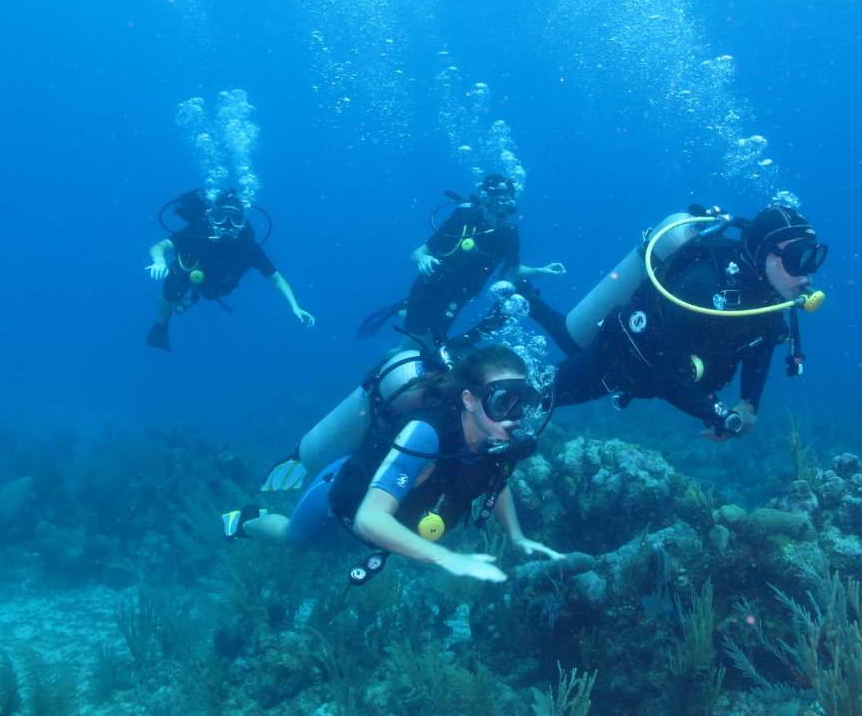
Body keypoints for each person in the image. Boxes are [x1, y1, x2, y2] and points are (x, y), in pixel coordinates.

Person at [224, 345, 565, 583]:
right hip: (341, 500)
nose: (516, 418)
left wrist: (517, 537)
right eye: (504, 402)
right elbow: (369, 519)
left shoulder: (495, 441)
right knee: (293, 540)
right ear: (469, 400)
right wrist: (448, 559)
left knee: (324, 552)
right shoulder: (425, 435)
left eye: (525, 403)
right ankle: (243, 522)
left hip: (391, 528)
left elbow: (495, 480)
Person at [519, 203, 828, 440]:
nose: (807, 274)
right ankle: (521, 298)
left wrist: (749, 402)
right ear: (764, 254)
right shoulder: (702, 289)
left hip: (662, 371)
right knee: (536, 396)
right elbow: (664, 373)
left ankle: (526, 299)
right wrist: (716, 415)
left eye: (813, 258)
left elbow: (760, 345)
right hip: (616, 363)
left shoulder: (769, 296)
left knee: (565, 336)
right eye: (797, 258)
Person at [361, 174, 565, 348]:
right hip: (431, 286)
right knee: (416, 346)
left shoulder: (508, 234)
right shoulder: (464, 218)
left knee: (432, 343)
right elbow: (418, 253)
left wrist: (542, 271)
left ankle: (404, 310)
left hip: (459, 297)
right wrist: (423, 261)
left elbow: (515, 270)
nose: (499, 210)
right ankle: (375, 382)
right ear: (485, 199)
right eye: (495, 202)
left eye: (507, 204)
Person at [144, 189, 315, 352]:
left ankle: (195, 296)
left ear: (242, 224)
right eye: (220, 218)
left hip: (218, 281)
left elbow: (276, 278)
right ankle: (161, 324)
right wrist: (159, 262)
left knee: (212, 294)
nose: (227, 225)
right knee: (170, 296)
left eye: (235, 220)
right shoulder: (198, 230)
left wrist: (295, 306)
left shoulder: (247, 246)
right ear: (211, 217)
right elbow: (159, 246)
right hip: (188, 271)